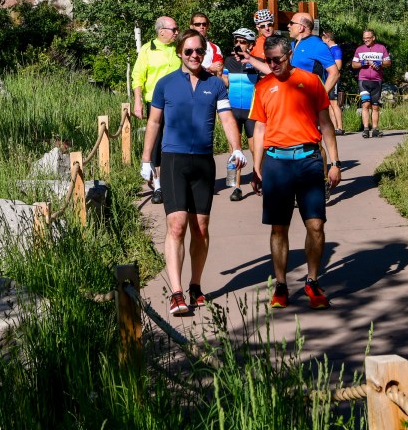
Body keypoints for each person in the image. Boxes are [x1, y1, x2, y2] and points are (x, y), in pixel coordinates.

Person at [141, 30, 246, 317]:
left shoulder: (216, 85)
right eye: (188, 51)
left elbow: (226, 118)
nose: (194, 56)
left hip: (203, 162)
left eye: (199, 51)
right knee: (176, 226)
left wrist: (237, 148)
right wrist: (147, 160)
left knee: (200, 229)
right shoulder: (165, 84)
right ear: (179, 53)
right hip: (174, 160)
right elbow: (153, 122)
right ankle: (176, 293)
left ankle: (195, 286)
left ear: (205, 53)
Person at [250, 35, 340, 310]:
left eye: (277, 60)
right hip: (277, 163)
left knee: (316, 224)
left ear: (289, 55)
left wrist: (334, 162)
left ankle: (312, 281)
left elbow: (325, 124)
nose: (272, 65)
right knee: (280, 227)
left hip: (308, 159)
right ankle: (280, 284)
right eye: (268, 61)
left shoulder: (310, 81)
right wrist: (257, 167)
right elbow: (260, 129)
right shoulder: (263, 86)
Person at [131, 16, 181, 205]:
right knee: (156, 141)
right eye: (173, 29)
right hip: (155, 102)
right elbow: (137, 77)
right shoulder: (147, 49)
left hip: (178, 102)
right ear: (161, 31)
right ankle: (158, 185)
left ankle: (174, 180)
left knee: (175, 140)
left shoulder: (178, 49)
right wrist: (138, 101)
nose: (176, 32)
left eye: (177, 29)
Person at [287, 14, 340, 98]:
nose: (288, 26)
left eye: (291, 23)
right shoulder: (292, 44)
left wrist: (321, 98)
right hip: (292, 99)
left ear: (301, 27)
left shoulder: (317, 45)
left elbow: (334, 74)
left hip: (309, 101)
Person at [352, 29, 392, 138]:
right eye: (364, 38)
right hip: (363, 80)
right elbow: (353, 64)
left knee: (375, 107)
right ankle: (365, 129)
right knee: (365, 104)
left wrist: (380, 63)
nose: (366, 40)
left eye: (368, 38)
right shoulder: (359, 49)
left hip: (376, 81)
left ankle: (375, 129)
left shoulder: (381, 48)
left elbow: (388, 62)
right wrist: (362, 63)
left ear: (373, 38)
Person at [320, 27, 345, 135]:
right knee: (329, 104)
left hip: (333, 79)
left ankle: (340, 127)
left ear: (328, 38)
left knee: (334, 103)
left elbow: (338, 65)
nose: (322, 41)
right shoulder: (329, 49)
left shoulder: (336, 49)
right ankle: (334, 127)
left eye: (323, 39)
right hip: (327, 79)